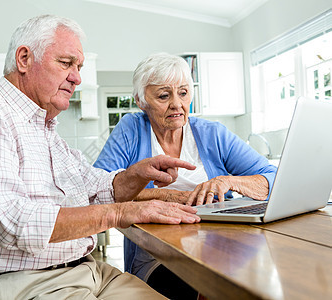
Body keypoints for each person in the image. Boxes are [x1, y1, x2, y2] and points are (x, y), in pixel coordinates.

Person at [0, 16, 203, 299]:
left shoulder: (46, 130)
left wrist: (134, 175)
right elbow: (13, 222)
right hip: (21, 282)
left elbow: (95, 189)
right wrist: (122, 213)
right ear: (24, 59)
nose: (77, 77)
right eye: (66, 63)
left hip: (87, 272)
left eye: (79, 67)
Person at [94, 52, 278, 299]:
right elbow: (97, 190)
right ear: (140, 100)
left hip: (223, 243)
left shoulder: (212, 133)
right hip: (160, 255)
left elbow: (272, 176)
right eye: (163, 95)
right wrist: (170, 197)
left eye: (183, 93)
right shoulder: (131, 129)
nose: (177, 104)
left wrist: (228, 181)